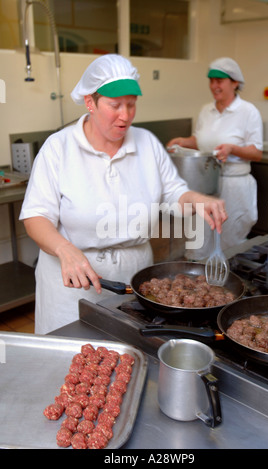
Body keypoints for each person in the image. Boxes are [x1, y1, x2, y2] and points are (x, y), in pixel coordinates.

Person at [19, 54, 227, 335]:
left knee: (130, 359)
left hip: (134, 280)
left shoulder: (147, 144)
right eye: (115, 105)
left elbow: (173, 192)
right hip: (73, 285)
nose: (125, 115)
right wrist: (64, 249)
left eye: (131, 105)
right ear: (90, 102)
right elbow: (35, 216)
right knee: (73, 363)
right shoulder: (58, 148)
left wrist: (196, 199)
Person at [167, 57, 263, 260]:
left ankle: (230, 286)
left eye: (220, 80)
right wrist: (184, 141)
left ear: (235, 82)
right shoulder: (205, 111)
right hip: (204, 185)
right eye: (211, 80)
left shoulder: (248, 112)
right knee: (198, 241)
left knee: (229, 243)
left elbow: (257, 152)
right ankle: (199, 284)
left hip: (233, 186)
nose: (214, 85)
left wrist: (233, 149)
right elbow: (201, 141)